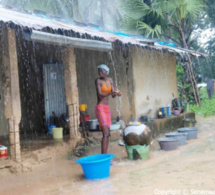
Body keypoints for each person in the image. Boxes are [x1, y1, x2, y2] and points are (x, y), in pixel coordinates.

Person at [95, 64, 121, 154]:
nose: (100, 72)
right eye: (99, 71)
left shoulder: (110, 80)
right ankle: (104, 157)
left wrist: (116, 93)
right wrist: (111, 92)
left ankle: (105, 156)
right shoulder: (98, 81)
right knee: (105, 132)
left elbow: (113, 95)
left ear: (106, 72)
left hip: (107, 109)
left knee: (107, 133)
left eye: (102, 71)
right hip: (100, 108)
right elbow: (100, 95)